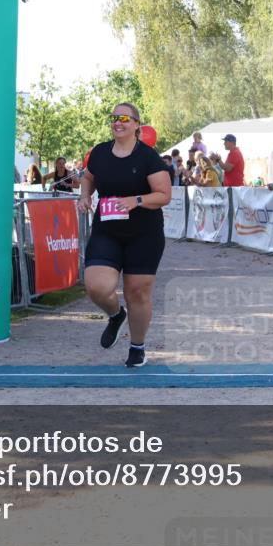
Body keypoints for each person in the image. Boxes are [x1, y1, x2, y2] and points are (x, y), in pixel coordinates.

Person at [80, 102, 171, 368]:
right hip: (107, 231)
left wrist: (136, 200)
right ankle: (116, 314)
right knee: (97, 287)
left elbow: (164, 195)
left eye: (124, 118)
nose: (117, 123)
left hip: (144, 234)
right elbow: (88, 177)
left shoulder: (148, 157)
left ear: (136, 124)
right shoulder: (99, 152)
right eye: (114, 118)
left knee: (137, 292)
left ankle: (137, 347)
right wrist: (85, 195)